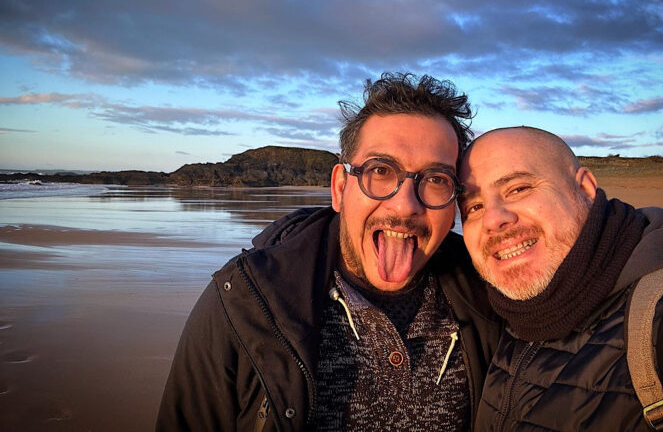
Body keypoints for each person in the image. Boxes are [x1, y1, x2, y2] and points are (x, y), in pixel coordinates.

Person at [157, 73, 501, 431]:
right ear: (339, 188)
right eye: (380, 170)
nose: (405, 205)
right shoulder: (243, 301)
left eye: (436, 180)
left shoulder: (491, 304)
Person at [458, 126, 663, 431]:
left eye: (518, 189)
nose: (493, 219)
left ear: (585, 188)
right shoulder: (493, 316)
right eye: (474, 207)